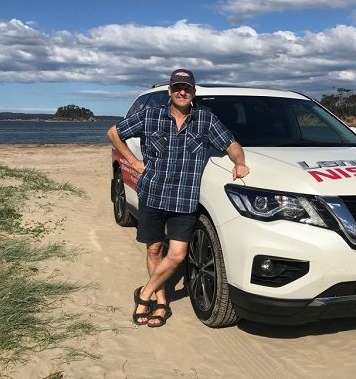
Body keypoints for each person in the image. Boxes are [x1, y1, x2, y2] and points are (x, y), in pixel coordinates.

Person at [106, 68, 250, 328]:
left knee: (178, 254)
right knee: (153, 249)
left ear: (193, 92)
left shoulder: (205, 119)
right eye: (177, 88)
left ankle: (144, 293)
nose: (182, 92)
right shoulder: (150, 116)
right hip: (153, 192)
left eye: (187, 88)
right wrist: (134, 161)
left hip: (184, 199)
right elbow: (113, 133)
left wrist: (240, 162)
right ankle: (161, 303)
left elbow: (231, 144)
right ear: (169, 91)